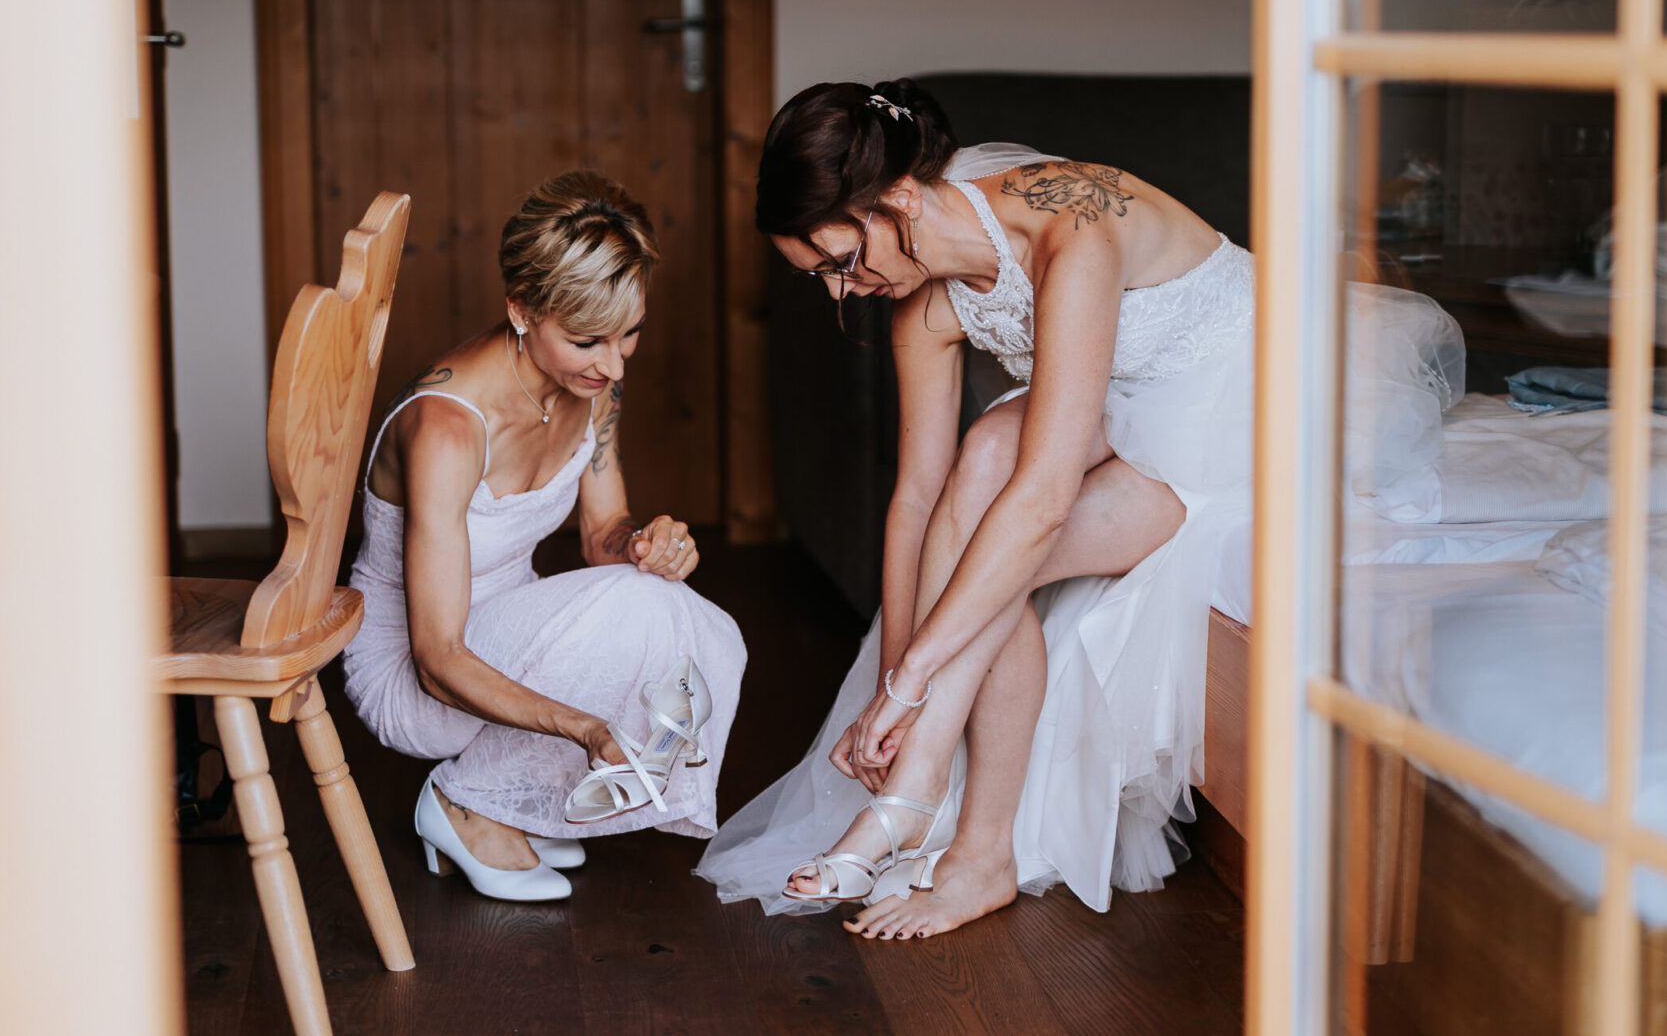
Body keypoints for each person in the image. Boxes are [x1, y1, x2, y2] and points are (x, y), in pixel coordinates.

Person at [696, 80, 1254, 939]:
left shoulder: (1074, 231)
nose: (842, 294)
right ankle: (948, 825)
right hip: (1119, 408)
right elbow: (917, 497)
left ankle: (946, 825)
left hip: (1233, 408)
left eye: (841, 263)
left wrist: (916, 685)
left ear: (901, 198)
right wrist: (890, 680)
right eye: (818, 279)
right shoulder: (920, 297)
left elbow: (1043, 498)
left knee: (1012, 523)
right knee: (985, 452)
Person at [344, 172, 747, 901]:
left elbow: (602, 534)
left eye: (630, 332)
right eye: (588, 339)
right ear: (522, 309)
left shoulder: (595, 386)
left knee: (694, 620)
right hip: (413, 663)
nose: (616, 363)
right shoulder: (447, 428)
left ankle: (497, 798)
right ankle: (464, 798)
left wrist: (646, 544)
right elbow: (437, 659)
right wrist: (583, 727)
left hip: (508, 627)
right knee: (638, 613)